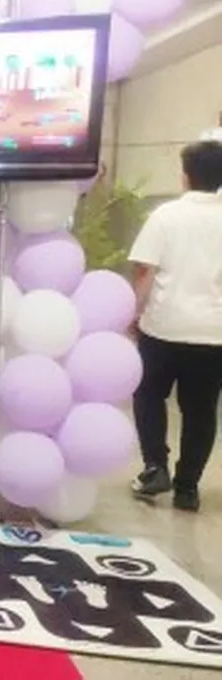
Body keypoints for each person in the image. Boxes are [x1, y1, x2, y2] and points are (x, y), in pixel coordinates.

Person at [129, 139, 222, 512]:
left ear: (185, 176)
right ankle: (188, 488)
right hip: (214, 333)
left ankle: (155, 467)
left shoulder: (165, 215)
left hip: (163, 326)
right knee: (201, 411)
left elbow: (144, 270)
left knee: (148, 395)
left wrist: (133, 313)